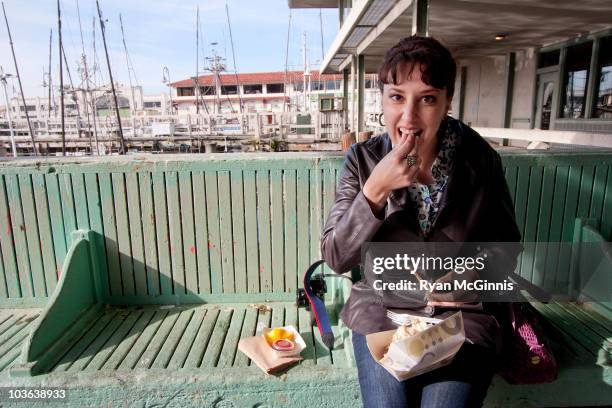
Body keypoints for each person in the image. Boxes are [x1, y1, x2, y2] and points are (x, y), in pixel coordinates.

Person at [320, 36, 522, 407]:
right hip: (381, 313)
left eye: (427, 98)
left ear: (447, 104)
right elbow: (336, 256)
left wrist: (473, 278)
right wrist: (375, 192)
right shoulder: (362, 160)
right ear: (382, 101)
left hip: (460, 319)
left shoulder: (479, 160)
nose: (409, 117)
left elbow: (506, 247)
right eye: (397, 97)